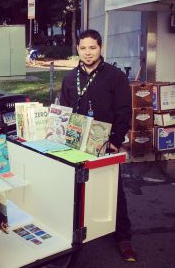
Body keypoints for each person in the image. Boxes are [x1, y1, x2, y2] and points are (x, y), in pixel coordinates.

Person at [60, 29, 137, 262]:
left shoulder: (114, 76)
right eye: (83, 48)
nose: (87, 53)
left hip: (104, 143)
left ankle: (123, 237)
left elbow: (124, 110)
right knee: (76, 189)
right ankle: (76, 233)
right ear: (77, 49)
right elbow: (64, 110)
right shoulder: (70, 77)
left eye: (92, 47)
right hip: (75, 143)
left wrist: (115, 140)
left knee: (113, 189)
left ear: (100, 48)